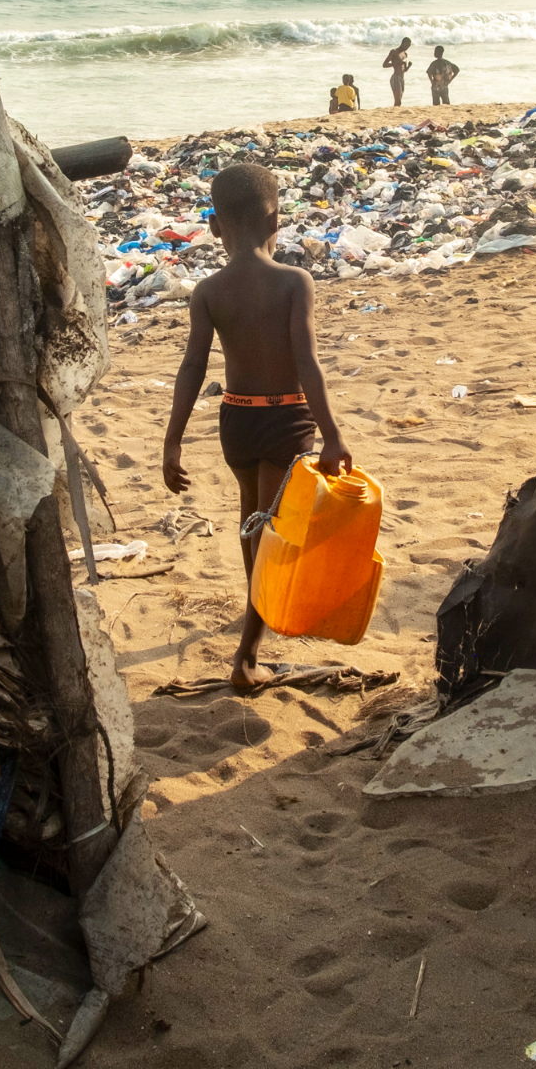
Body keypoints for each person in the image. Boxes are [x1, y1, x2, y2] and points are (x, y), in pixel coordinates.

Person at [162, 163, 352, 690]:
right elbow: (307, 363)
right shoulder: (294, 281)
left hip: (236, 420)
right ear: (276, 219)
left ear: (216, 227)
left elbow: (192, 368)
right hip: (286, 419)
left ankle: (255, 607)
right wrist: (332, 434)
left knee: (251, 519)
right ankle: (246, 656)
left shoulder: (208, 290)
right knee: (268, 530)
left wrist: (172, 439)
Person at [380, 37, 412, 106]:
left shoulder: (405, 54)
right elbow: (384, 64)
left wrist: (408, 66)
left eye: (408, 46)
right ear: (403, 43)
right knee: (398, 101)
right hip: (396, 77)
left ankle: (395, 114)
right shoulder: (394, 52)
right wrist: (394, 64)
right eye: (406, 46)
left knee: (399, 101)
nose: (407, 48)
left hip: (402, 79)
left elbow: (404, 70)